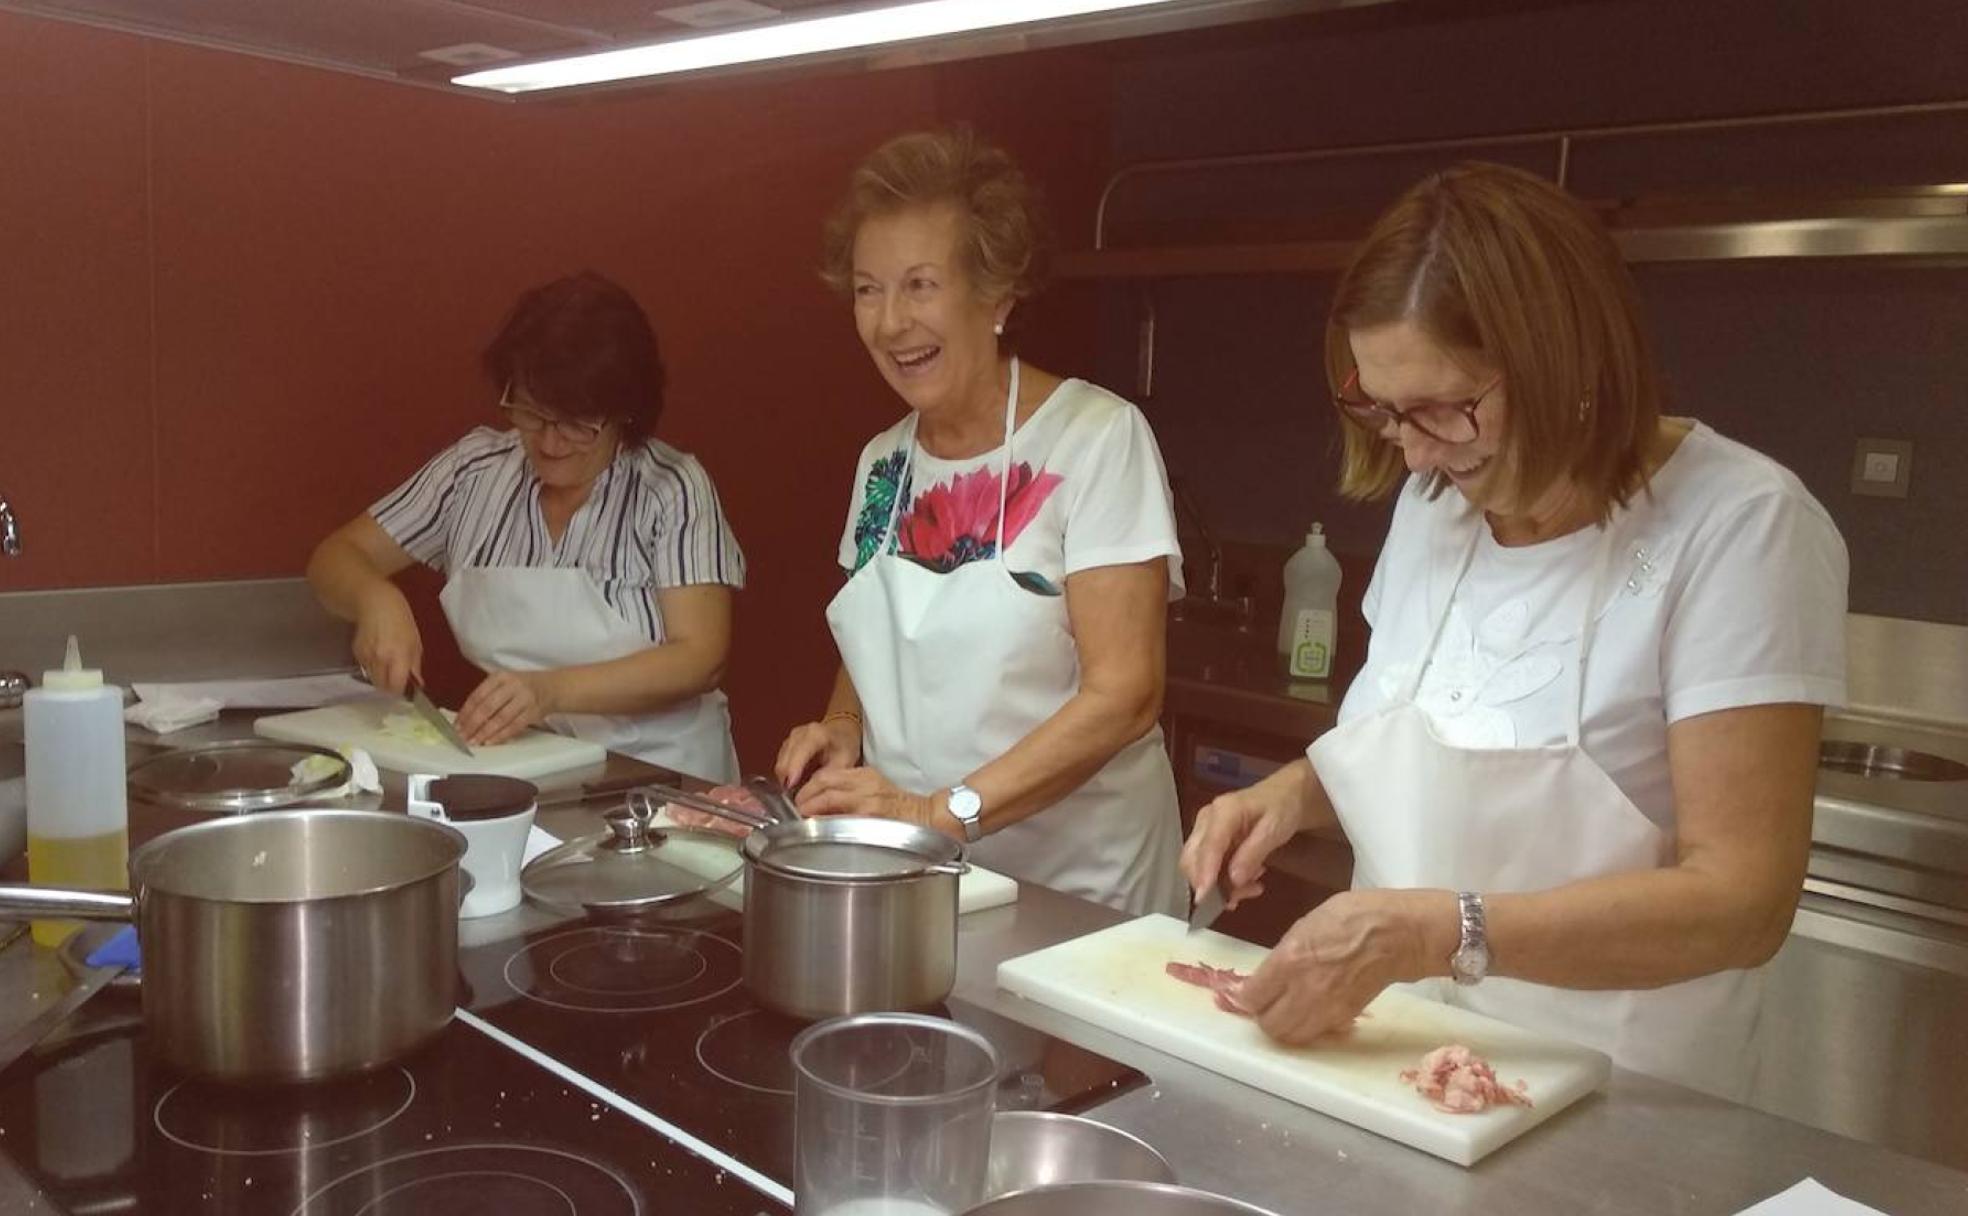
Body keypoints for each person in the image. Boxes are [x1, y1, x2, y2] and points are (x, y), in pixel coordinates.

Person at [1180, 162, 1847, 1101]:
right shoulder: (1435, 502)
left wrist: (1433, 933)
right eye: (1381, 408)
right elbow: (1428, 743)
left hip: (1616, 1098)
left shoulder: (1742, 528)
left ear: (1561, 359)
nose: (1411, 452)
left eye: (1445, 408)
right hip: (1397, 1065)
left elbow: (1743, 902)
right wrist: (1295, 793)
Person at [774, 128, 1186, 916]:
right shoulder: (882, 464)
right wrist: (841, 724)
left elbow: (1126, 693)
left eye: (921, 285)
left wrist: (939, 815)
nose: (892, 322)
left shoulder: (1096, 438)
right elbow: (879, 634)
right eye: (868, 289)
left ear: (996, 295)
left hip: (1078, 885)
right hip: (922, 871)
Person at [307, 271, 746, 781]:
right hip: (531, 765)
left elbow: (700, 656)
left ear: (625, 416)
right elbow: (335, 558)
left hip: (663, 774)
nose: (551, 442)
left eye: (579, 424)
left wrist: (551, 690)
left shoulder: (671, 487)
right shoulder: (473, 471)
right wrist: (373, 598)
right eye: (533, 414)